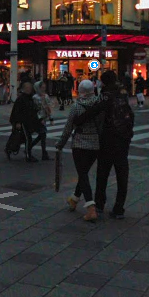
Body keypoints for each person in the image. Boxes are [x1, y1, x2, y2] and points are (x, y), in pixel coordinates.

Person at [82, 71, 134, 219]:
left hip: (108, 138)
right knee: (122, 174)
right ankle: (119, 208)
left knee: (103, 173)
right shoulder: (122, 93)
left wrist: (77, 119)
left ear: (103, 82)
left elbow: (93, 111)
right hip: (123, 139)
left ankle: (99, 204)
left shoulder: (106, 95)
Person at [56, 79, 101, 223]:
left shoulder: (76, 107)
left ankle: (91, 208)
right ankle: (74, 199)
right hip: (95, 144)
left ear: (80, 91)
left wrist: (60, 144)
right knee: (84, 174)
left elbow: (68, 127)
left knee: (82, 175)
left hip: (80, 144)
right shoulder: (99, 105)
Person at [10, 80, 41, 161]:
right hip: (23, 121)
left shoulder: (30, 98)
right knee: (28, 138)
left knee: (25, 138)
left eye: (30, 88)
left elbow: (32, 109)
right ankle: (28, 155)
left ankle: (10, 148)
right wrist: (18, 122)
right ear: (24, 89)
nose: (29, 89)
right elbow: (17, 111)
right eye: (27, 88)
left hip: (28, 120)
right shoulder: (21, 98)